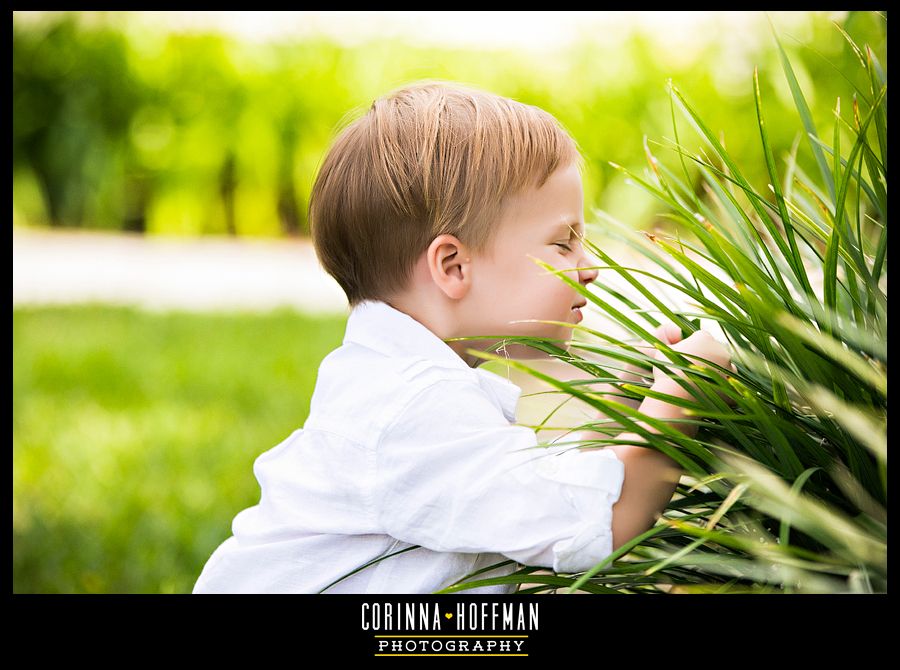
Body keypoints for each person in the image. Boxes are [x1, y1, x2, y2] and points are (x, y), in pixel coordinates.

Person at [193, 81, 732, 594]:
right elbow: (601, 525)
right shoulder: (411, 408)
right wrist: (685, 397)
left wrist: (624, 404)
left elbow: (535, 494)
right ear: (452, 266)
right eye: (563, 244)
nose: (589, 267)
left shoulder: (401, 383)